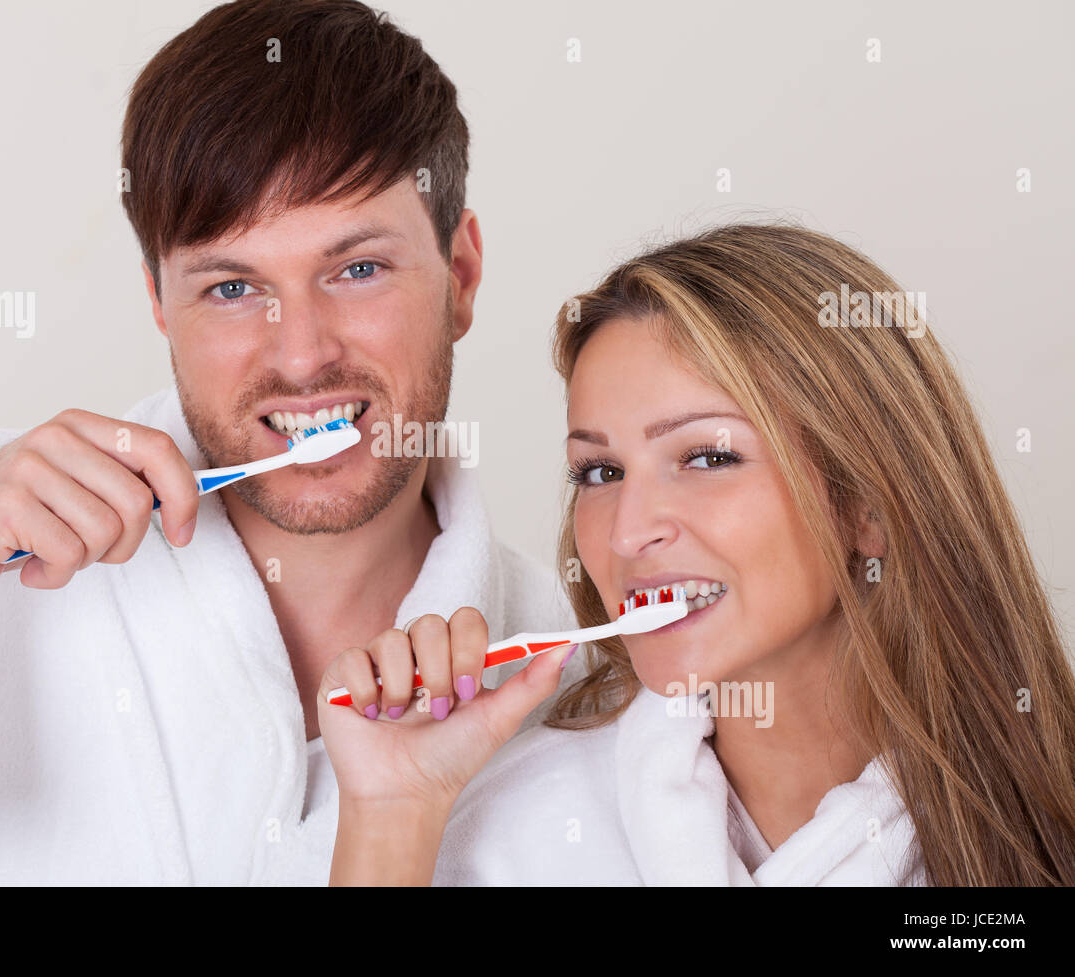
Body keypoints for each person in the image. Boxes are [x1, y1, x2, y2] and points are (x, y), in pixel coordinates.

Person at [0, 0, 582, 885]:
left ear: (460, 277)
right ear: (159, 302)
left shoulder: (575, 676)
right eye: (232, 287)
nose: (303, 351)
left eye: (357, 269)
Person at [319, 222, 1075, 886]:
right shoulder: (514, 838)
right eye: (601, 473)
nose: (627, 532)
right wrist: (389, 821)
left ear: (867, 508)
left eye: (707, 458)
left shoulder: (1042, 817)